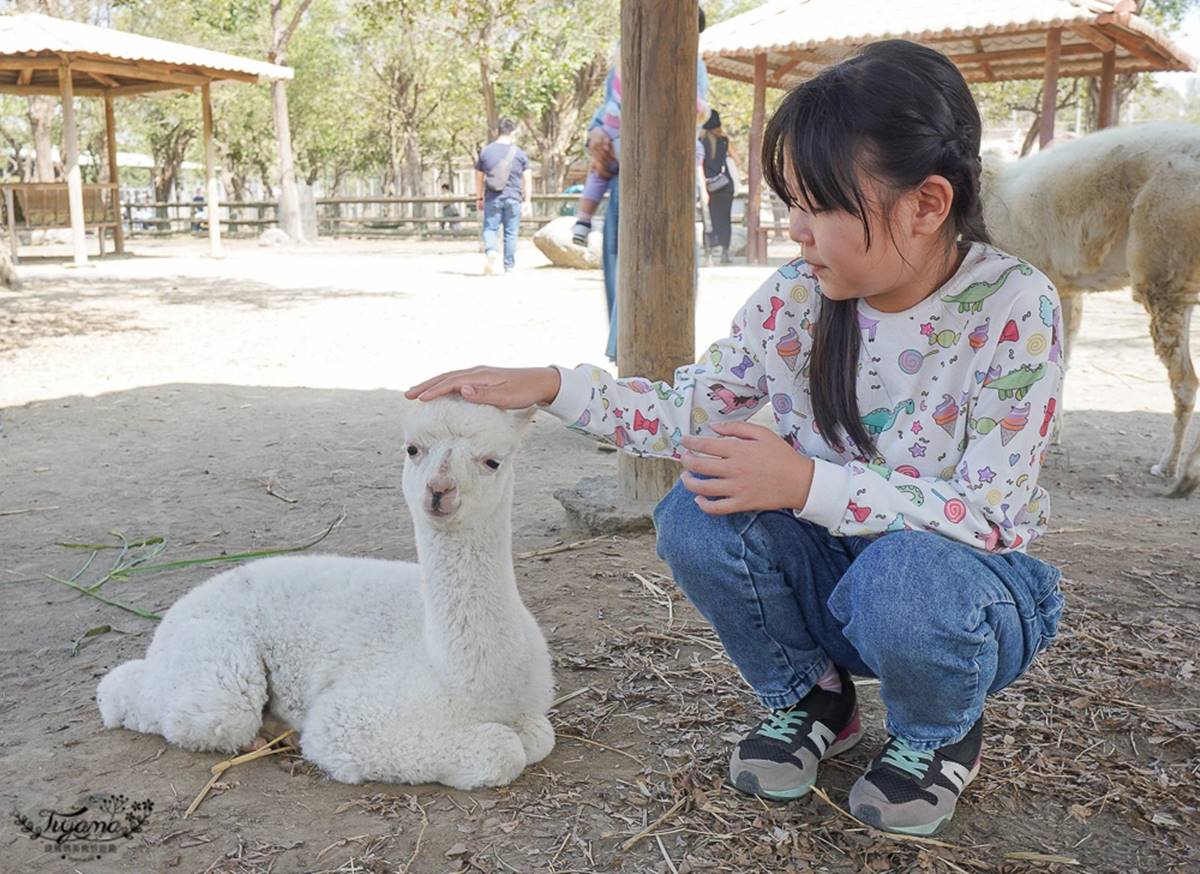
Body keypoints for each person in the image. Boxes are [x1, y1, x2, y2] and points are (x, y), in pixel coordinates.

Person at [407, 40, 1065, 837]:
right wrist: (553, 386)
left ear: (926, 205)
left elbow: (991, 515)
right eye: (790, 202)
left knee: (909, 575)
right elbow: (692, 410)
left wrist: (806, 486)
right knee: (695, 512)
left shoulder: (1014, 307)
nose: (796, 231)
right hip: (836, 580)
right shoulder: (798, 298)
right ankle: (812, 696)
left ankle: (937, 731)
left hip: (961, 597)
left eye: (819, 205)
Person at [588, 8, 710, 362]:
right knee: (618, 268)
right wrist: (595, 134)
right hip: (623, 183)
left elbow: (689, 118)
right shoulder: (622, 63)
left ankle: (663, 359)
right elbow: (604, 115)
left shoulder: (691, 63)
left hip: (667, 187)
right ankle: (622, 353)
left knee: (665, 273)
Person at [475, 118, 532, 274]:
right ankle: (509, 266)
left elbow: (479, 176)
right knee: (511, 232)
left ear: (496, 131)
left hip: (493, 197)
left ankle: (491, 251)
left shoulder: (486, 151)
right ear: (513, 132)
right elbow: (527, 178)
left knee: (490, 228)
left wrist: (479, 197)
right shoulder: (520, 154)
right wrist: (527, 201)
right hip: (514, 197)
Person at [700, 110, 738, 264]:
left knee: (709, 220)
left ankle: (709, 253)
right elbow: (737, 159)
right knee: (725, 219)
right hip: (725, 185)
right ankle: (725, 252)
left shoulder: (701, 142)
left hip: (708, 187)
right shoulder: (724, 141)